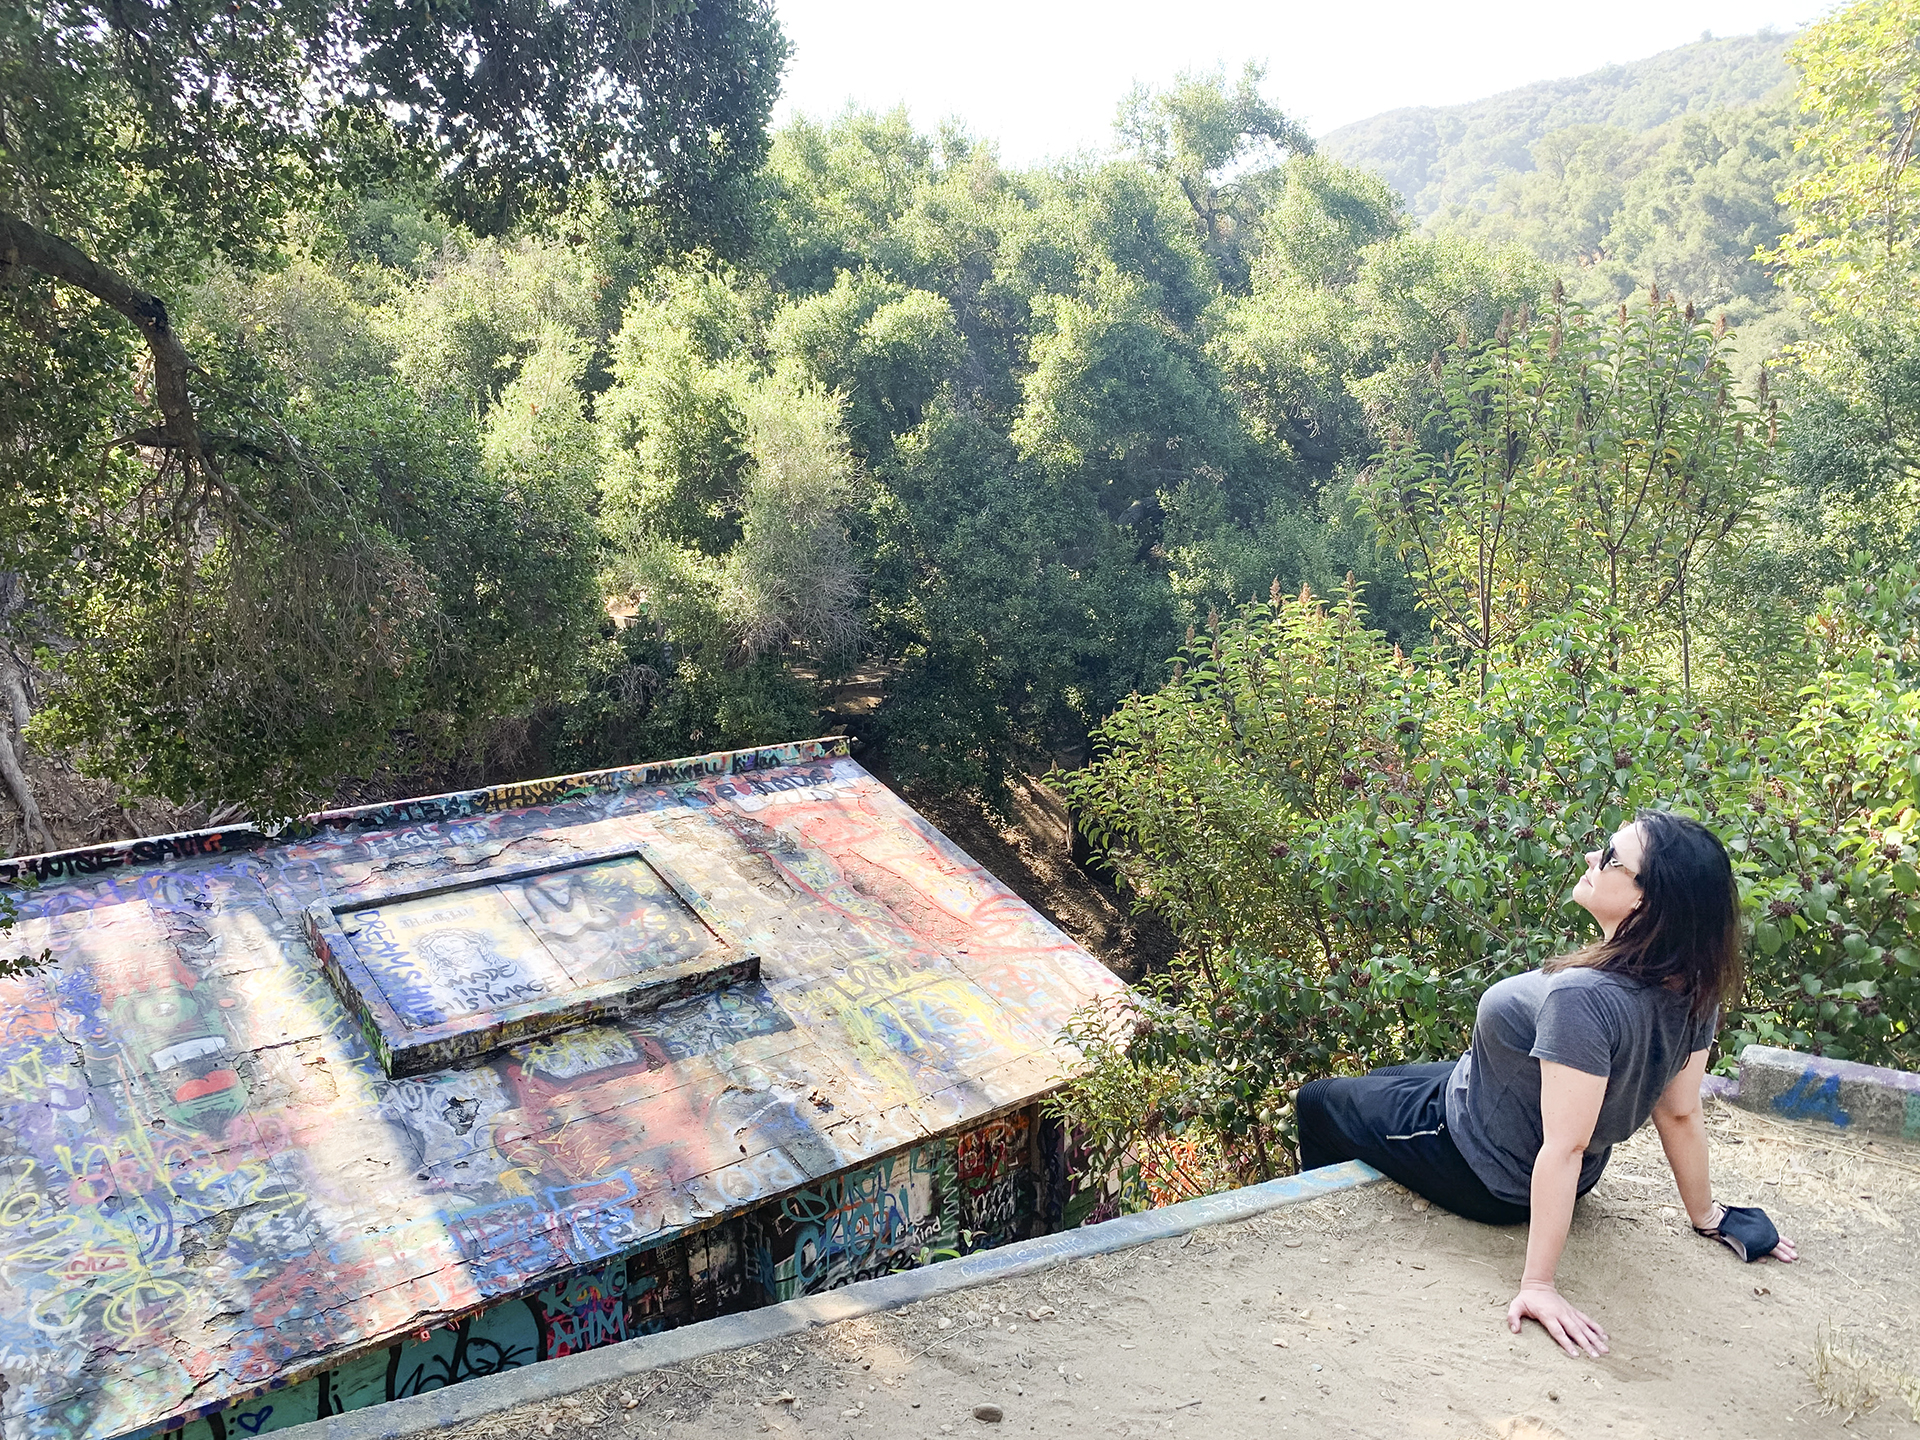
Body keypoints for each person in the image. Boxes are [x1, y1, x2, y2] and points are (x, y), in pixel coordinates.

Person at [1294, 809, 1797, 1359]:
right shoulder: (1689, 980)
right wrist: (1708, 1217)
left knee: (1318, 1100)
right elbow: (1679, 1112)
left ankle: (1330, 1227)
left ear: (1645, 903)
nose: (1589, 857)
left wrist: (1538, 1286)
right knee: (1382, 1079)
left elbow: (1566, 1147)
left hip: (1481, 1165)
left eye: (1609, 857)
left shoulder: (1584, 998)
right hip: (1505, 1109)